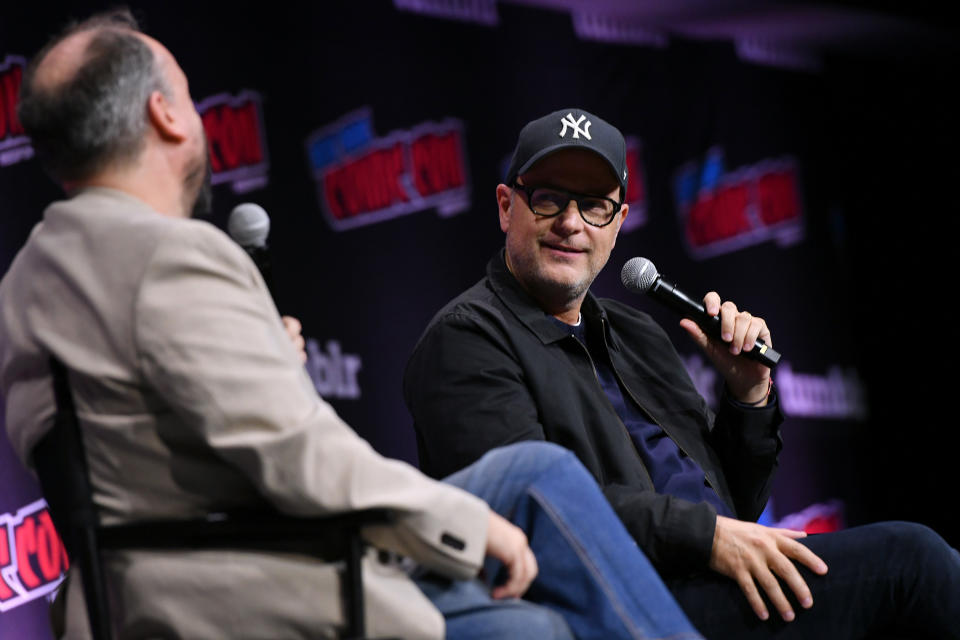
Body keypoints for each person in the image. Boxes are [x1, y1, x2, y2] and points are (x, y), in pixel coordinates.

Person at [0, 12, 707, 640]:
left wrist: (261, 361)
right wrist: (468, 526)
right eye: (188, 94)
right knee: (537, 559)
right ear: (167, 116)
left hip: (130, 583)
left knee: (535, 485)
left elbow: (138, 441)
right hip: (242, 586)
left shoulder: (28, 277)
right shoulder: (171, 255)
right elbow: (301, 462)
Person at [404, 107, 960, 639]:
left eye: (595, 205)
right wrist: (708, 537)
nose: (571, 223)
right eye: (548, 200)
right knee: (910, 561)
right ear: (507, 207)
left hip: (713, 586)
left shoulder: (639, 334)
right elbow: (536, 512)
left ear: (618, 222)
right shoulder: (467, 338)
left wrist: (747, 396)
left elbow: (734, 507)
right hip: (617, 604)